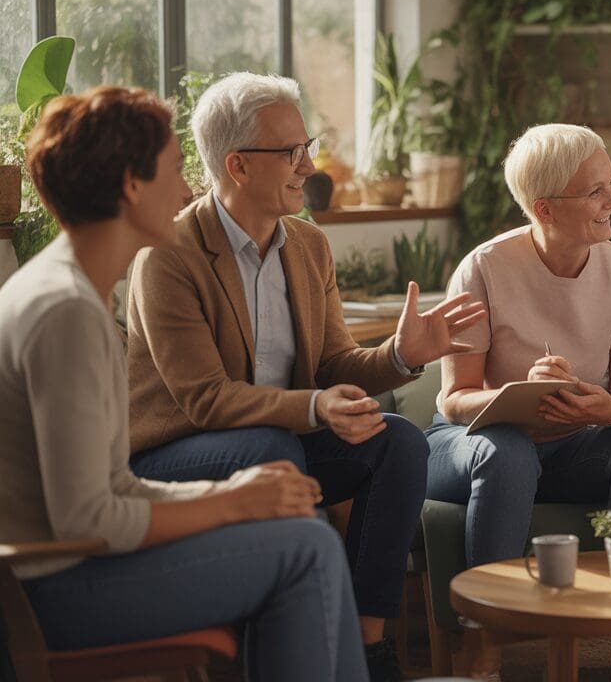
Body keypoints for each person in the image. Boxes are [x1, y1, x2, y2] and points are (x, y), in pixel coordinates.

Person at [0, 86, 369, 681]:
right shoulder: (64, 311)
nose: (186, 191)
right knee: (308, 548)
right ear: (130, 185)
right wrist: (229, 503)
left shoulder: (68, 292)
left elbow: (113, 488)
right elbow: (89, 521)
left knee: (300, 532)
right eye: (174, 170)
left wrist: (238, 493)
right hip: (51, 593)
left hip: (68, 570)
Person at [126, 72, 485, 682]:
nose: (309, 165)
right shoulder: (169, 254)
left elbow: (333, 365)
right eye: (291, 152)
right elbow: (206, 401)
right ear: (237, 166)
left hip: (282, 439)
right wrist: (316, 409)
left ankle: (369, 651)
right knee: (273, 446)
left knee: (396, 439)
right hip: (172, 452)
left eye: (307, 144)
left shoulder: (308, 245)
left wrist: (400, 354)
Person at [429, 123, 611, 682]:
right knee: (508, 450)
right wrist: (519, 397)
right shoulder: (484, 267)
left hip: (570, 445)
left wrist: (602, 409)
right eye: (595, 191)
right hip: (468, 445)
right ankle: (483, 653)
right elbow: (454, 397)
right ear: (544, 208)